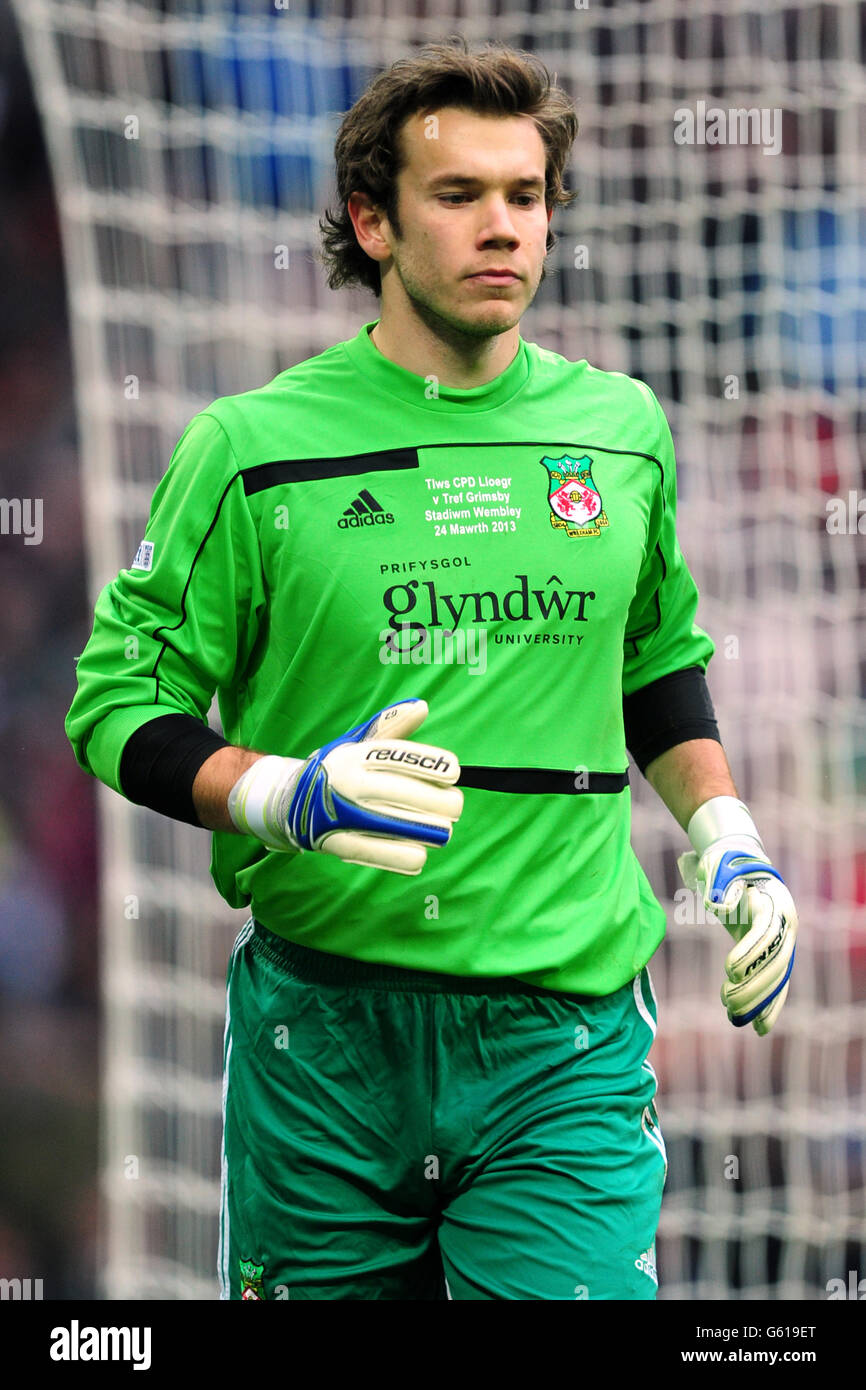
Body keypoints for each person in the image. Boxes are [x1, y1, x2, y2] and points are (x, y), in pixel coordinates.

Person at [65, 38, 798, 1301]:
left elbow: (656, 663)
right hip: (324, 1042)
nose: (500, 226)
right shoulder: (250, 449)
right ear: (373, 221)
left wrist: (725, 833)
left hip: (558, 1040)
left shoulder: (618, 432)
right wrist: (281, 792)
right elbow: (117, 702)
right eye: (457, 196)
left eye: (524, 196)